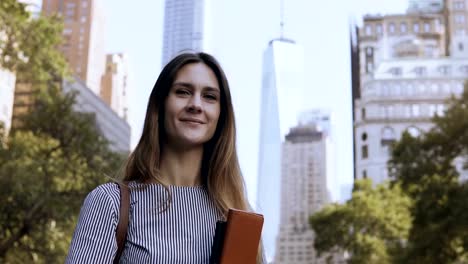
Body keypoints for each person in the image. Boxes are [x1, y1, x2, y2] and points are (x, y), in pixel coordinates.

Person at [66, 52, 264, 263]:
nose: (196, 104)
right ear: (160, 106)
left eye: (209, 96)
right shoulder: (109, 203)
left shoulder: (240, 219)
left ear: (221, 116)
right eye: (183, 92)